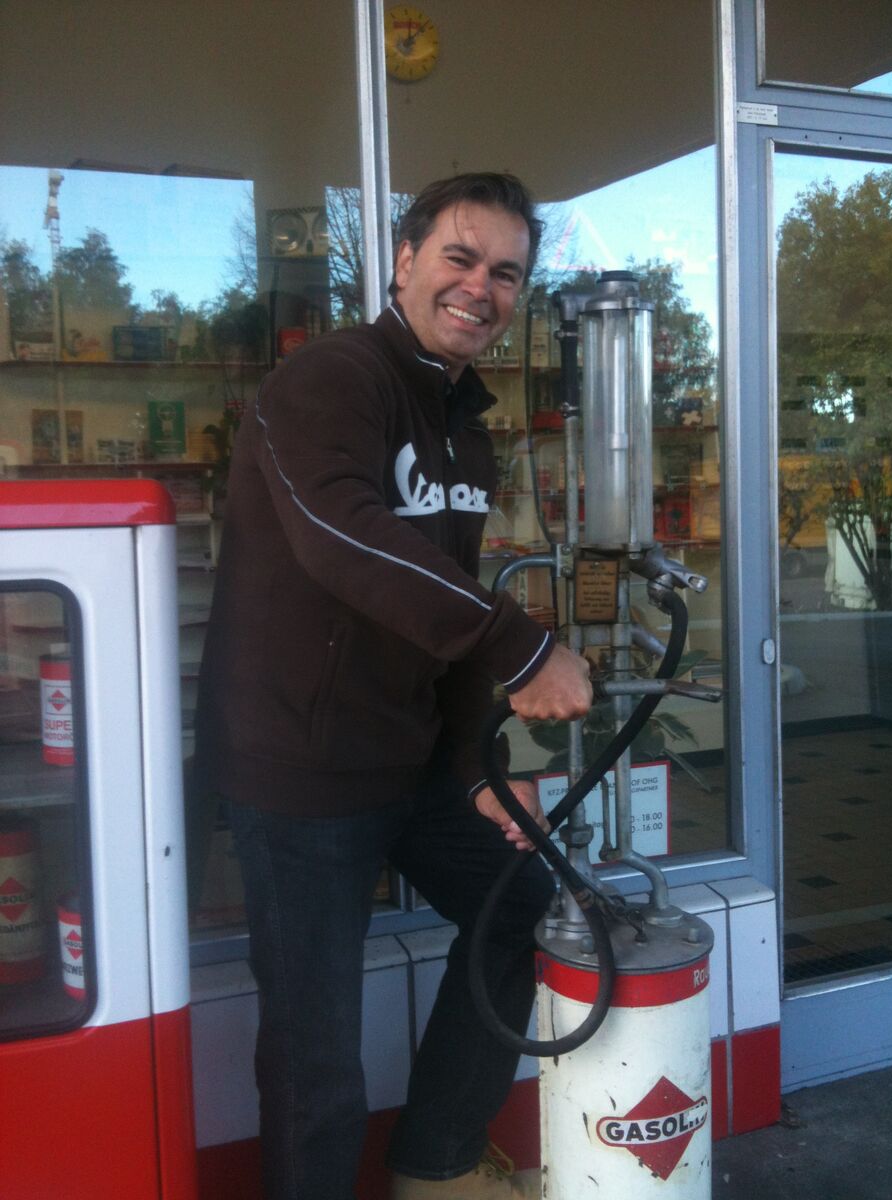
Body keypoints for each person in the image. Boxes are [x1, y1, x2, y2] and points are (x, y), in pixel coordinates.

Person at [194, 172, 592, 1200]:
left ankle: (435, 1166)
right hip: (299, 770)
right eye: (460, 257)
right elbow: (342, 536)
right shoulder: (329, 379)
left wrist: (474, 767)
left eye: (506, 273)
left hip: (410, 762)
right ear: (405, 261)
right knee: (317, 1057)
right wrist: (521, 648)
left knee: (521, 913)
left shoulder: (465, 421)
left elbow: (441, 591)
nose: (480, 287)